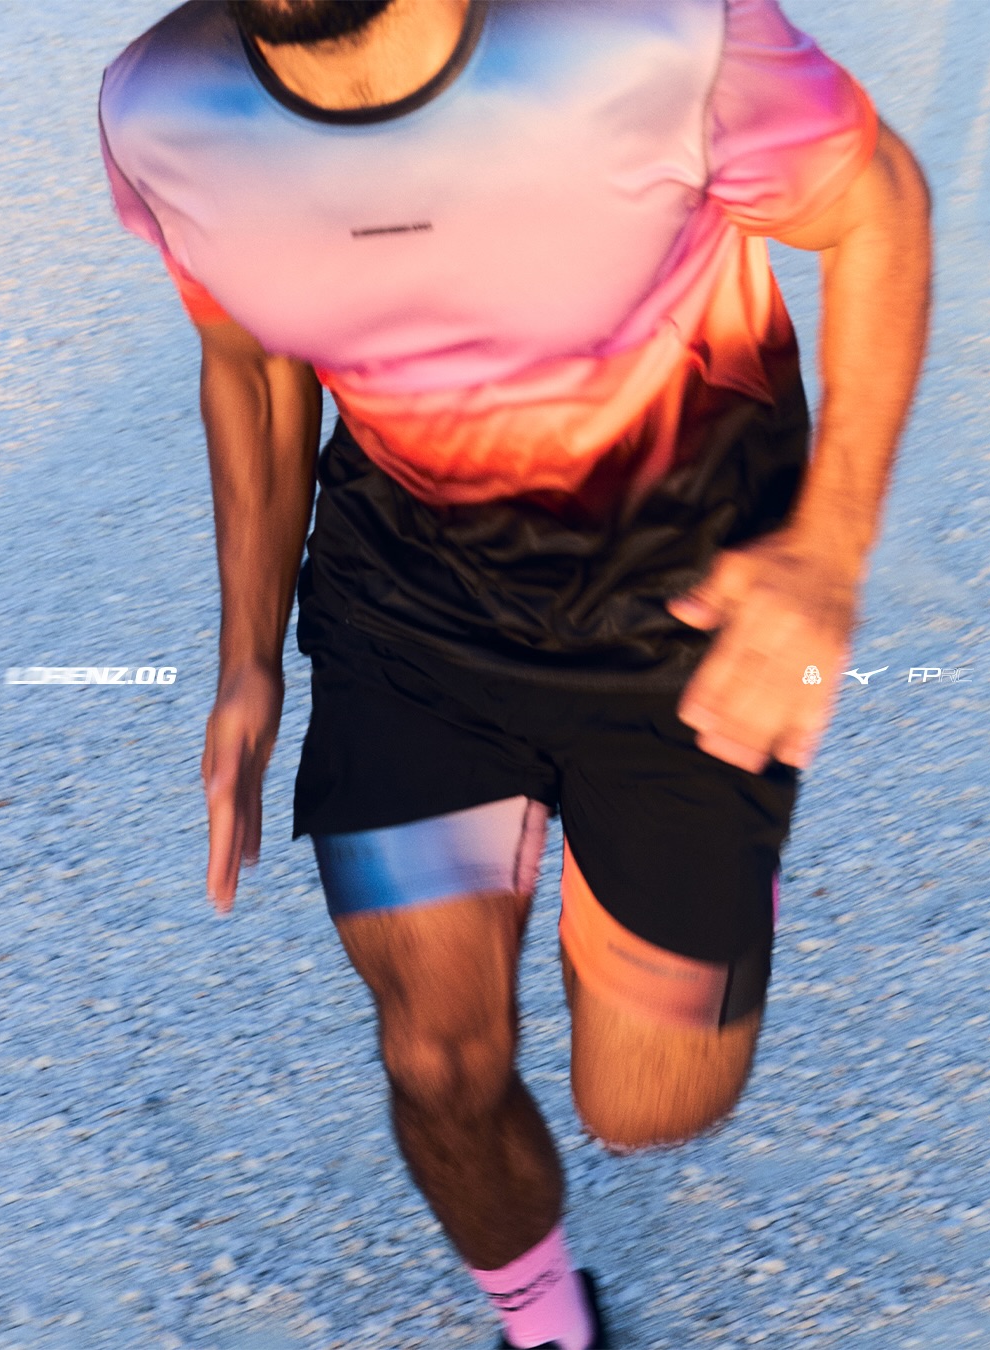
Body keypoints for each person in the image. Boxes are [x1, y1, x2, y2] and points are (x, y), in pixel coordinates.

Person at [99, 2, 930, 1345]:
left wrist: (828, 551)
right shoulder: (158, 110)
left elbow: (878, 199)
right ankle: (546, 1325)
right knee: (436, 1057)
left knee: (650, 1105)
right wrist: (246, 657)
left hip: (684, 607)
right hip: (409, 609)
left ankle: (703, 867)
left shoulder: (661, 31)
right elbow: (248, 361)